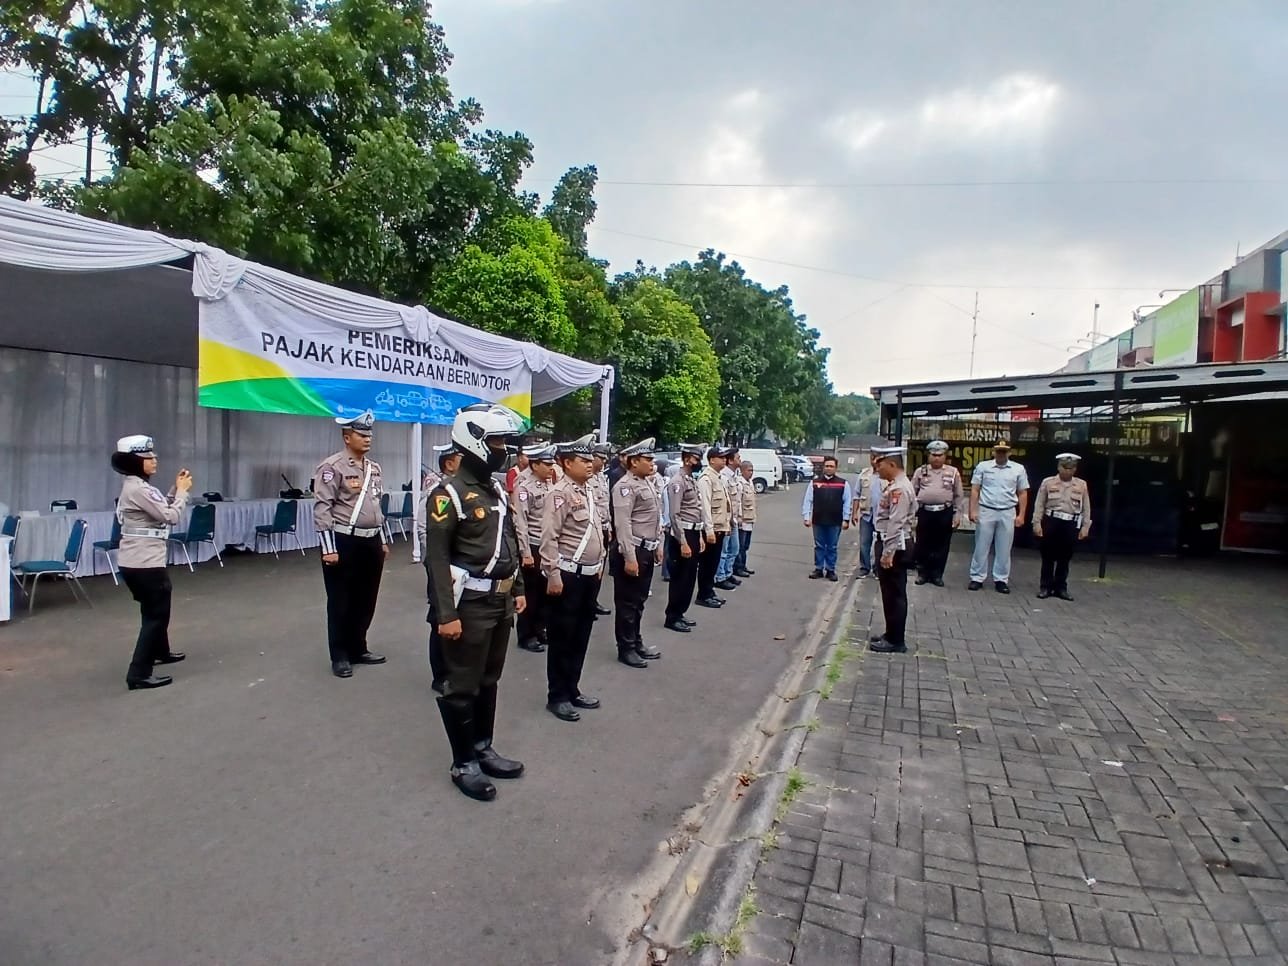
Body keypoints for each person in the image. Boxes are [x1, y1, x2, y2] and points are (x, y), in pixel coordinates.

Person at [424, 404, 527, 802]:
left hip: (499, 602)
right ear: (474, 443)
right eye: (497, 441)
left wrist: (517, 587)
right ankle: (463, 761)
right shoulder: (447, 494)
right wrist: (445, 614)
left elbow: (509, 543)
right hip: (468, 604)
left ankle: (483, 747)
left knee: (489, 679)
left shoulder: (495, 489)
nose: (504, 449)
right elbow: (436, 558)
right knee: (461, 686)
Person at [112, 434, 192, 691]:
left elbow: (158, 506)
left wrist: (173, 490)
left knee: (154, 610)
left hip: (140, 560)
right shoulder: (137, 488)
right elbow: (170, 516)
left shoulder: (138, 487)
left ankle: (161, 651)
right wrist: (182, 493)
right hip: (144, 563)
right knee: (155, 615)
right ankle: (138, 673)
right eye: (147, 457)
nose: (154, 460)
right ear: (135, 462)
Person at [314, 410, 389, 679]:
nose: (367, 439)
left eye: (369, 434)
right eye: (361, 434)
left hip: (371, 541)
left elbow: (376, 505)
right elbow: (323, 508)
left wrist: (383, 539)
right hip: (344, 540)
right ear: (347, 437)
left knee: (366, 598)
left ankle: (359, 647)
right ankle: (340, 654)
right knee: (340, 600)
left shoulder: (374, 468)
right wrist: (328, 548)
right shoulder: (332, 467)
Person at [541, 434, 605, 721]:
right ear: (566, 463)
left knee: (581, 635)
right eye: (583, 460)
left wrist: (601, 560)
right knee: (562, 637)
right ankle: (557, 695)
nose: (590, 464)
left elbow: (596, 530)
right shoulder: (558, 493)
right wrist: (553, 574)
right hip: (568, 576)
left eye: (591, 459)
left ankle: (572, 687)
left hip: (590, 575)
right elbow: (549, 538)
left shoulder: (588, 490)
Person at [610, 437, 664, 668]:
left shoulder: (647, 482)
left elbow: (654, 519)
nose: (652, 463)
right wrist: (629, 557)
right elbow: (623, 525)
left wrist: (658, 545)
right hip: (632, 551)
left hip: (647, 550)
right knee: (627, 604)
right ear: (633, 462)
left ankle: (636, 640)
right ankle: (626, 648)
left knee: (639, 601)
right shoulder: (624, 486)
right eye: (647, 459)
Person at [419, 443, 461, 694]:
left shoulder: (465, 489)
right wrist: (436, 563)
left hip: (463, 566)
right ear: (449, 463)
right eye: (460, 458)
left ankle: (456, 669)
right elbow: (426, 528)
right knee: (440, 615)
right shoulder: (438, 489)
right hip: (443, 564)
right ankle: (440, 675)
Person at [870, 445, 916, 653]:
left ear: (892, 464)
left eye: (879, 464)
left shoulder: (899, 489)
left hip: (896, 546)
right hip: (892, 543)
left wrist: (888, 552)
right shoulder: (894, 485)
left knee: (894, 594)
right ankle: (891, 633)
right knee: (889, 593)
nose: (876, 468)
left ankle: (896, 640)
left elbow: (896, 522)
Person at [968, 440, 1030, 594]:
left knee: (1004, 548)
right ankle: (977, 577)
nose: (1001, 453)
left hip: (1007, 510)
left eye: (1004, 451)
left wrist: (1022, 515)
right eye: (998, 451)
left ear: (1009, 452)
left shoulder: (1018, 469)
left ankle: (1001, 579)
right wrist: (972, 510)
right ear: (993, 452)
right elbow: (975, 489)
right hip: (986, 509)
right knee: (981, 545)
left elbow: (1022, 492)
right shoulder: (983, 466)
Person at [513, 443, 557, 653]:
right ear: (535, 464)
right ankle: (526, 634)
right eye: (547, 464)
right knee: (531, 594)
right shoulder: (524, 487)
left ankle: (540, 628)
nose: (552, 468)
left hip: (549, 547)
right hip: (533, 545)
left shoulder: (549, 484)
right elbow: (520, 521)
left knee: (546, 594)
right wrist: (525, 553)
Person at [1033, 453, 1093, 601]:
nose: (1067, 471)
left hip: (1070, 522)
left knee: (1065, 557)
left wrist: (1086, 526)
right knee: (1047, 556)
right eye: (1064, 467)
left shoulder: (1081, 484)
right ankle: (1045, 587)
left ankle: (1061, 588)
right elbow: (1039, 503)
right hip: (1051, 520)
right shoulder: (1048, 482)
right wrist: (1036, 522)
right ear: (1059, 467)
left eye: (1071, 468)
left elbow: (1086, 507)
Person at [663, 443, 706, 632]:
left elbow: (696, 510)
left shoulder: (690, 480)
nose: (698, 463)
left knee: (689, 577)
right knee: (680, 577)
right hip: (683, 534)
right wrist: (683, 541)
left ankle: (680, 612)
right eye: (696, 459)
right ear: (687, 458)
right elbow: (675, 515)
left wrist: (701, 536)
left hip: (694, 532)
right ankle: (672, 616)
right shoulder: (677, 482)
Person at [911, 440, 965, 587]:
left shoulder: (953, 472)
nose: (936, 458)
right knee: (922, 543)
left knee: (941, 545)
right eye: (933, 455)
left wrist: (958, 515)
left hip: (944, 512)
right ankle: (923, 573)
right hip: (925, 512)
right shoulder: (920, 471)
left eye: (939, 455)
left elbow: (958, 495)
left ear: (945, 456)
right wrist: (911, 514)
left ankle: (937, 575)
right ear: (928, 455)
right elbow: (912, 492)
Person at [803, 456, 852, 581]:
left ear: (836, 468)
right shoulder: (815, 483)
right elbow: (808, 500)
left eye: (831, 466)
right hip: (818, 520)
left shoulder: (843, 484)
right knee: (819, 545)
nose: (829, 468)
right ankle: (818, 568)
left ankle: (830, 569)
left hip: (835, 521)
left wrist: (846, 519)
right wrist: (806, 517)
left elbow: (847, 502)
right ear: (823, 467)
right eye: (827, 466)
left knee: (832, 546)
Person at [696, 446, 731, 607]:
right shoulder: (706, 479)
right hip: (711, 530)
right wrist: (708, 530)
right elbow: (705, 506)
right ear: (711, 460)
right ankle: (703, 594)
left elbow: (725, 505)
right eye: (720, 457)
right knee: (707, 564)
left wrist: (727, 524)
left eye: (725, 457)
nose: (724, 460)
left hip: (720, 527)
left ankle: (709, 591)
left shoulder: (719, 477)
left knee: (713, 563)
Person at [589, 442, 614, 617]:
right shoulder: (588, 478)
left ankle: (593, 600)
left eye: (606, 458)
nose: (604, 461)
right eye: (601, 458)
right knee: (591, 569)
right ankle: (587, 603)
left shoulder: (601, 477)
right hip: (592, 530)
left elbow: (606, 505)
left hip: (604, 528)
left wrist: (610, 526)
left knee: (600, 568)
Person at [715, 447, 743, 590]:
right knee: (724, 550)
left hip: (734, 520)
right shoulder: (724, 477)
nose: (740, 460)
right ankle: (720, 576)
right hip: (726, 521)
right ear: (731, 460)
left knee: (734, 549)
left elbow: (737, 500)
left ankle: (727, 573)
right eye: (738, 458)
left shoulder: (734, 476)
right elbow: (724, 502)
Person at [851, 452, 879, 578]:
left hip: (882, 516)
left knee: (881, 543)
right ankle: (864, 568)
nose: (874, 460)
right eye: (872, 457)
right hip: (866, 514)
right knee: (864, 543)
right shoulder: (864, 474)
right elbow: (856, 495)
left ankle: (878, 569)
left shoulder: (887, 475)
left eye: (877, 457)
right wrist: (854, 513)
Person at [734, 460, 757, 577]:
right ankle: (738, 567)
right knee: (740, 546)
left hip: (750, 519)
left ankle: (743, 565)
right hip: (742, 521)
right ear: (742, 471)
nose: (751, 472)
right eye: (749, 470)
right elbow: (738, 503)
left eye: (752, 470)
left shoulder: (750, 482)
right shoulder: (740, 483)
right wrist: (739, 519)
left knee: (746, 546)